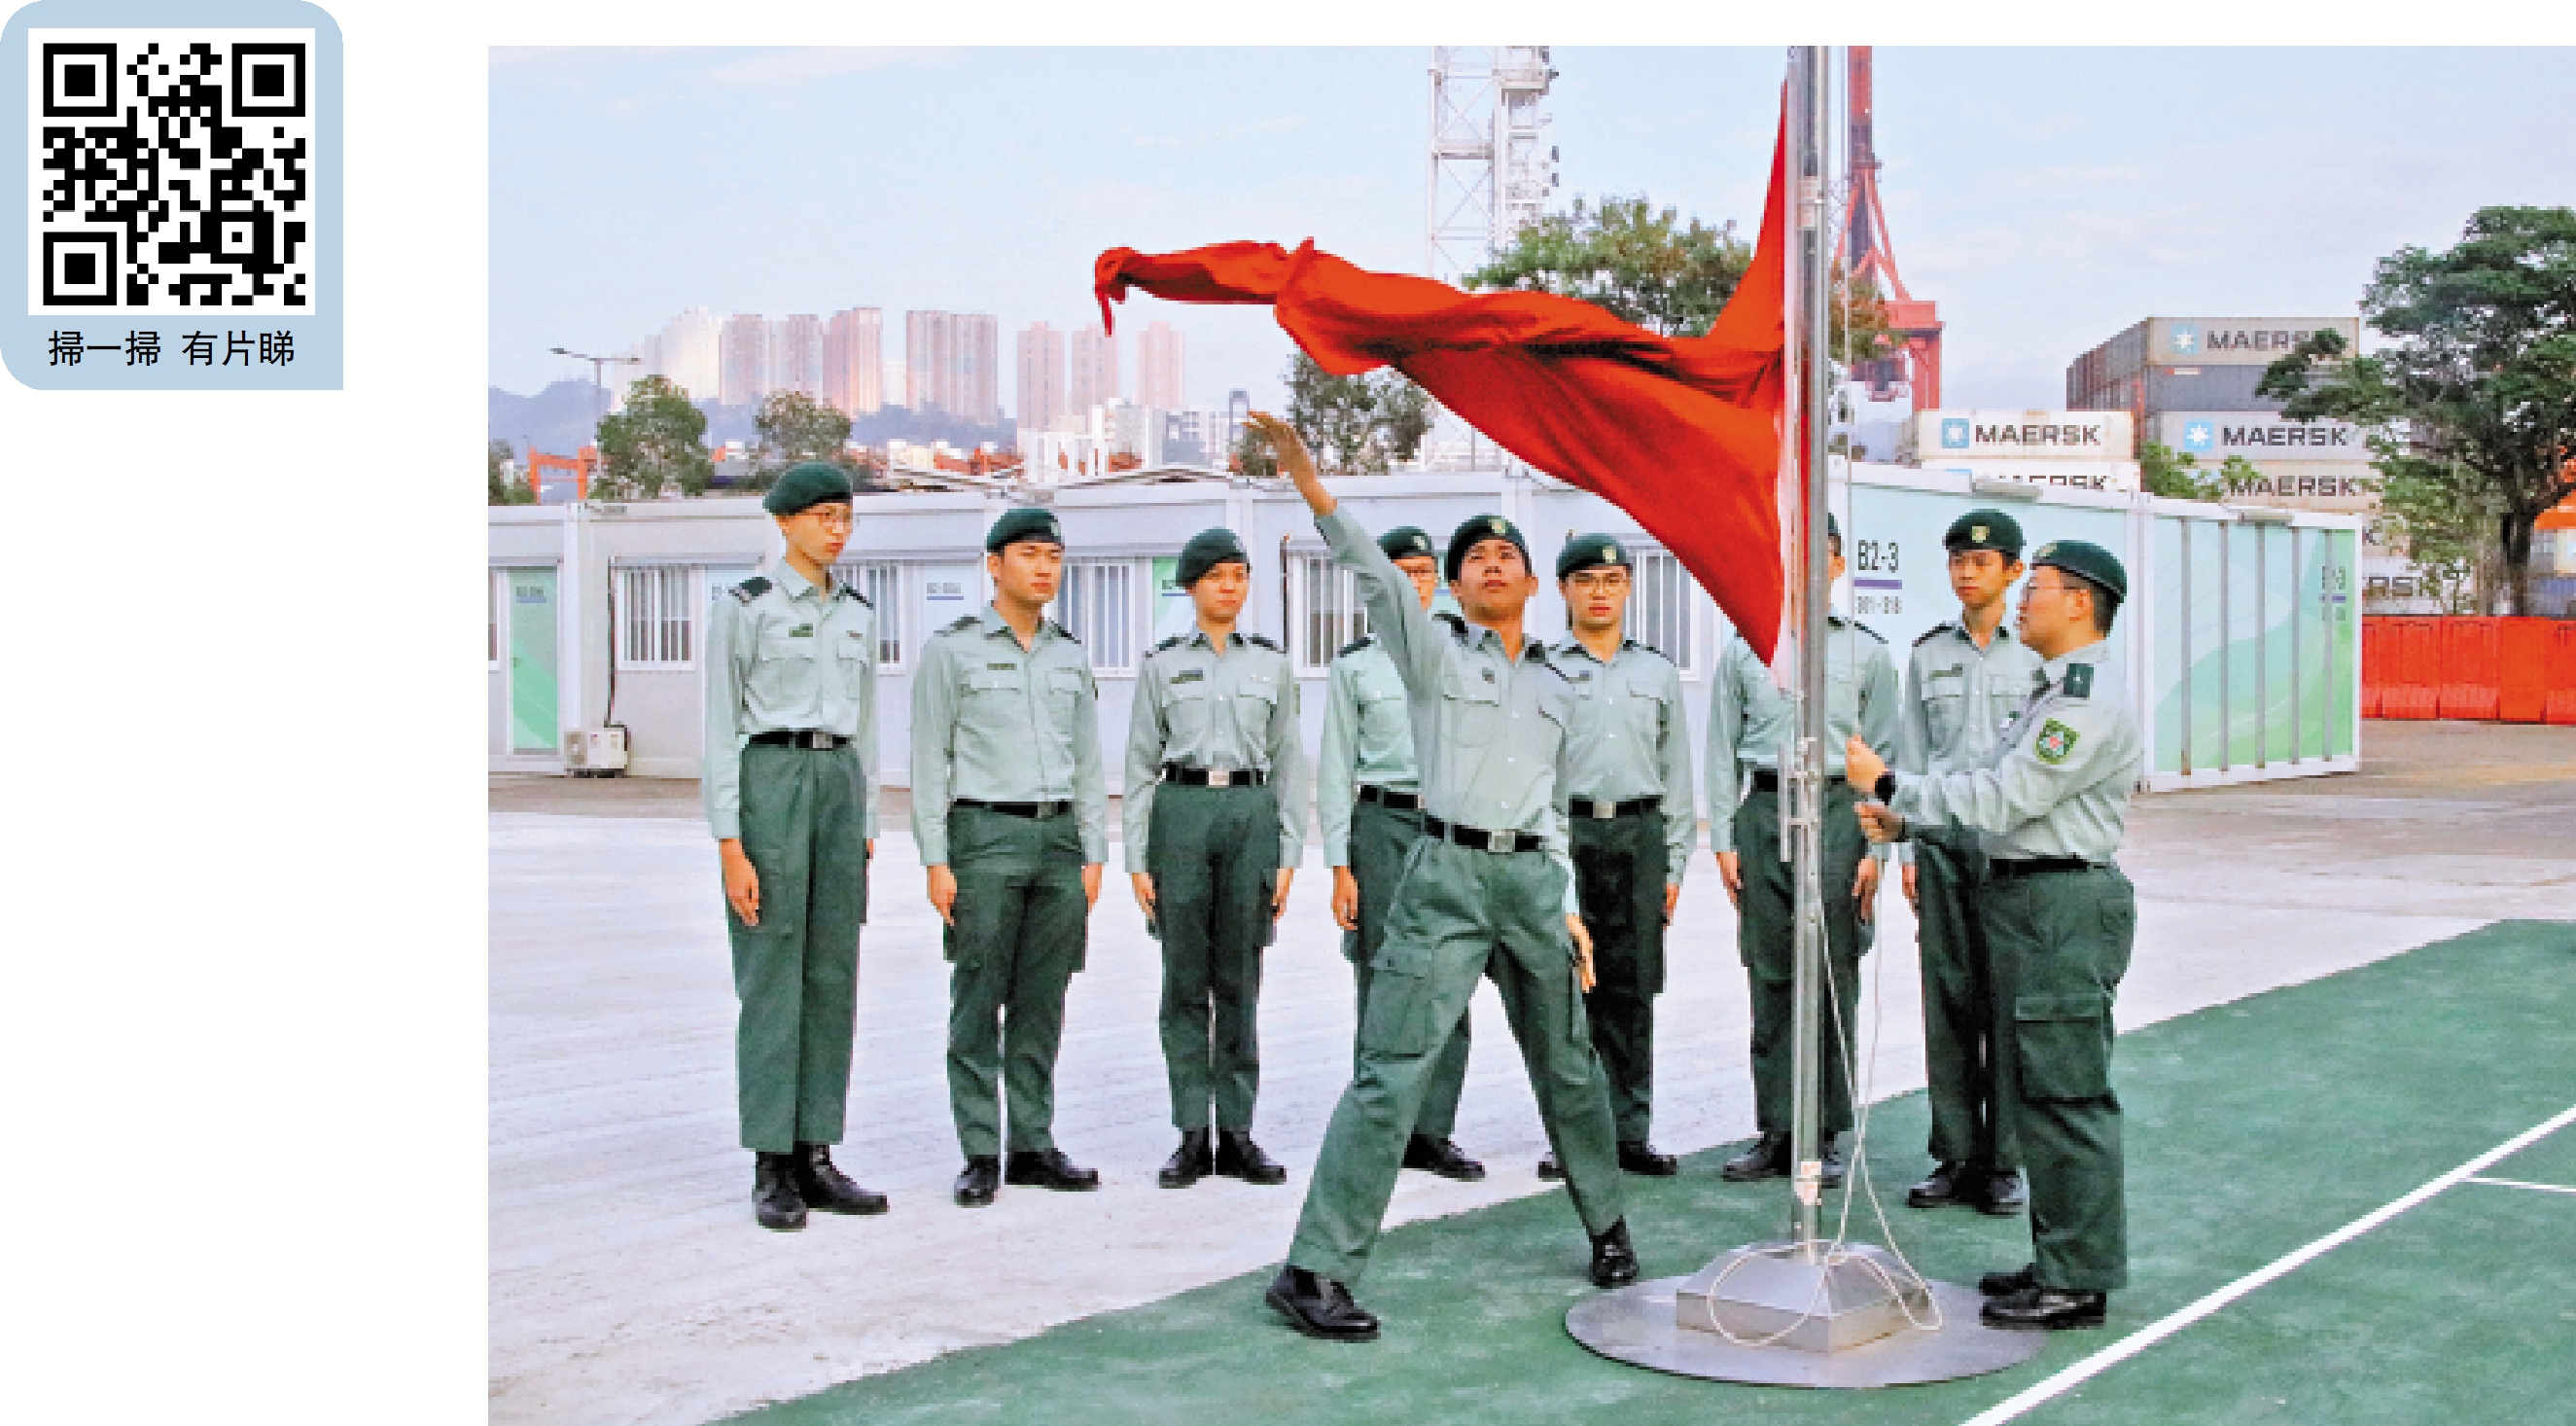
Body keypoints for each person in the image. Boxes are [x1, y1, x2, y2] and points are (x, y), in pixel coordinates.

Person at [1255, 412, 1637, 1345]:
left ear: (1530, 582)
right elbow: (1376, 577)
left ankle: (1610, 1230)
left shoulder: (1557, 683)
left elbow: (1552, 803)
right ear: (1458, 587)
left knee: (1570, 1069)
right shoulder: (1429, 653)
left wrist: (1570, 904)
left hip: (1530, 887)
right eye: (1474, 558)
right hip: (1444, 879)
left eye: (1506, 554)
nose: (1492, 564)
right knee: (1390, 1076)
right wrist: (1311, 484)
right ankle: (1313, 1271)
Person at [1846, 539, 2143, 1332]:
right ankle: (2057, 1260)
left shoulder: (2083, 696)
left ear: (2079, 602)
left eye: (2036, 587)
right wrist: (1907, 815)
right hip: (2028, 905)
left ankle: (2078, 1281)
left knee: (2067, 1095)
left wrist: (1884, 782)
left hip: (2062, 909)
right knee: (2039, 1092)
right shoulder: (2050, 692)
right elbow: (1987, 786)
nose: (2023, 600)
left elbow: (2006, 795)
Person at [702, 462, 889, 1231]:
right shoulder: (743, 608)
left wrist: (869, 822)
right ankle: (771, 1162)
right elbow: (719, 730)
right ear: (784, 523)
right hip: (769, 779)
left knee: (830, 976)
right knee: (773, 976)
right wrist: (729, 845)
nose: (836, 531)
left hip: (838, 783)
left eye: (844, 517)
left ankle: (816, 1152)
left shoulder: (858, 613)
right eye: (821, 517)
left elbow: (869, 724)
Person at [911, 506, 1108, 1207]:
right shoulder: (952, 651)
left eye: (1052, 556)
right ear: (993, 565)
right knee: (977, 996)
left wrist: (1094, 850)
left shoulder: (1068, 653)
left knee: (1041, 1001)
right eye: (1029, 555)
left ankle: (1032, 1142)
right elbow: (929, 760)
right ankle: (978, 1149)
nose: (1044, 568)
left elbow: (1087, 757)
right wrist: (935, 859)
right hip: (983, 837)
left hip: (1058, 844)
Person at [1706, 514, 1899, 1187]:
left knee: (1833, 971)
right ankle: (1777, 1129)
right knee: (1770, 972)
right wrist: (1723, 839)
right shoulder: (1744, 648)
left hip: (1839, 816)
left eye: (1820, 557)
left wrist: (1880, 851)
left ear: (1839, 567)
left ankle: (1827, 1130)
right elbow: (1718, 748)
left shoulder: (1868, 654)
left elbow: (1886, 759)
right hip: (1764, 811)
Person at [1126, 528, 1309, 1189]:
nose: (1228, 587)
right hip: (1180, 814)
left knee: (1239, 979)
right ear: (1192, 586)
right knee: (1183, 982)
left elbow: (1290, 761)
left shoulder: (1271, 664)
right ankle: (1189, 1133)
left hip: (1249, 815)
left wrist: (1287, 852)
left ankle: (1236, 1132)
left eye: (1238, 575)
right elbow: (1140, 762)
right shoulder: (1161, 664)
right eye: (1215, 576)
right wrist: (1136, 858)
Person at [1317, 525, 1486, 1185]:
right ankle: (1379, 1128)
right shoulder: (1355, 664)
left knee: (1451, 972)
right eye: (1399, 572)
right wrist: (1339, 865)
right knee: (1381, 977)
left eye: (1422, 572)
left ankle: (1434, 1129)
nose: (1412, 583)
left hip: (1449, 825)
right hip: (1381, 825)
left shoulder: (1463, 651)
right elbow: (1334, 769)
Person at [1895, 509, 2043, 1218]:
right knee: (1948, 1003)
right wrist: (1906, 848)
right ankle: (1954, 1154)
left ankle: (2004, 1162)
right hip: (1944, 846)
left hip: (2007, 848)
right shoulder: (1927, 655)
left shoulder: (2037, 657)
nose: (1966, 573)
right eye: (1957, 561)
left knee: (2006, 1005)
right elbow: (1912, 755)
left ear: (2012, 572)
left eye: (1981, 563)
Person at [1538, 534, 1695, 1182]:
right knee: (1566, 993)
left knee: (1632, 990)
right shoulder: (1542, 668)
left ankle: (1630, 1131)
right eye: (1585, 580)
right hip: (1567, 837)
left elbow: (1676, 773)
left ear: (1627, 587)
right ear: (1564, 590)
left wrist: (1675, 864)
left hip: (1637, 839)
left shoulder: (1656, 672)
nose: (1598, 592)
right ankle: (1574, 1136)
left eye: (1610, 580)